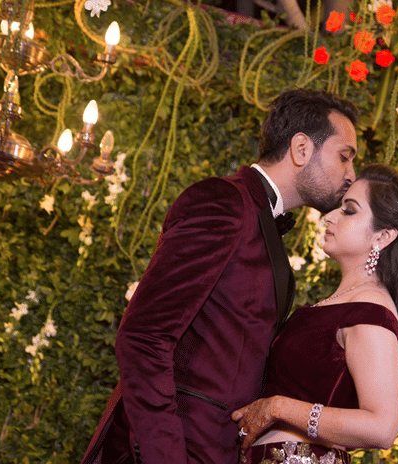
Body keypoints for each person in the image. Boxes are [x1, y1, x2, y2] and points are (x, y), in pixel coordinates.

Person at [81, 89, 359, 464]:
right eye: (345, 157)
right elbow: (144, 337)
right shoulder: (223, 202)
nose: (351, 174)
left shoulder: (262, 221)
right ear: (302, 149)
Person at [230, 163, 398, 464]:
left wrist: (278, 407)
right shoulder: (345, 302)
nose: (329, 217)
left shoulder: (371, 311)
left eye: (349, 210)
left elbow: (382, 428)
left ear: (382, 237)